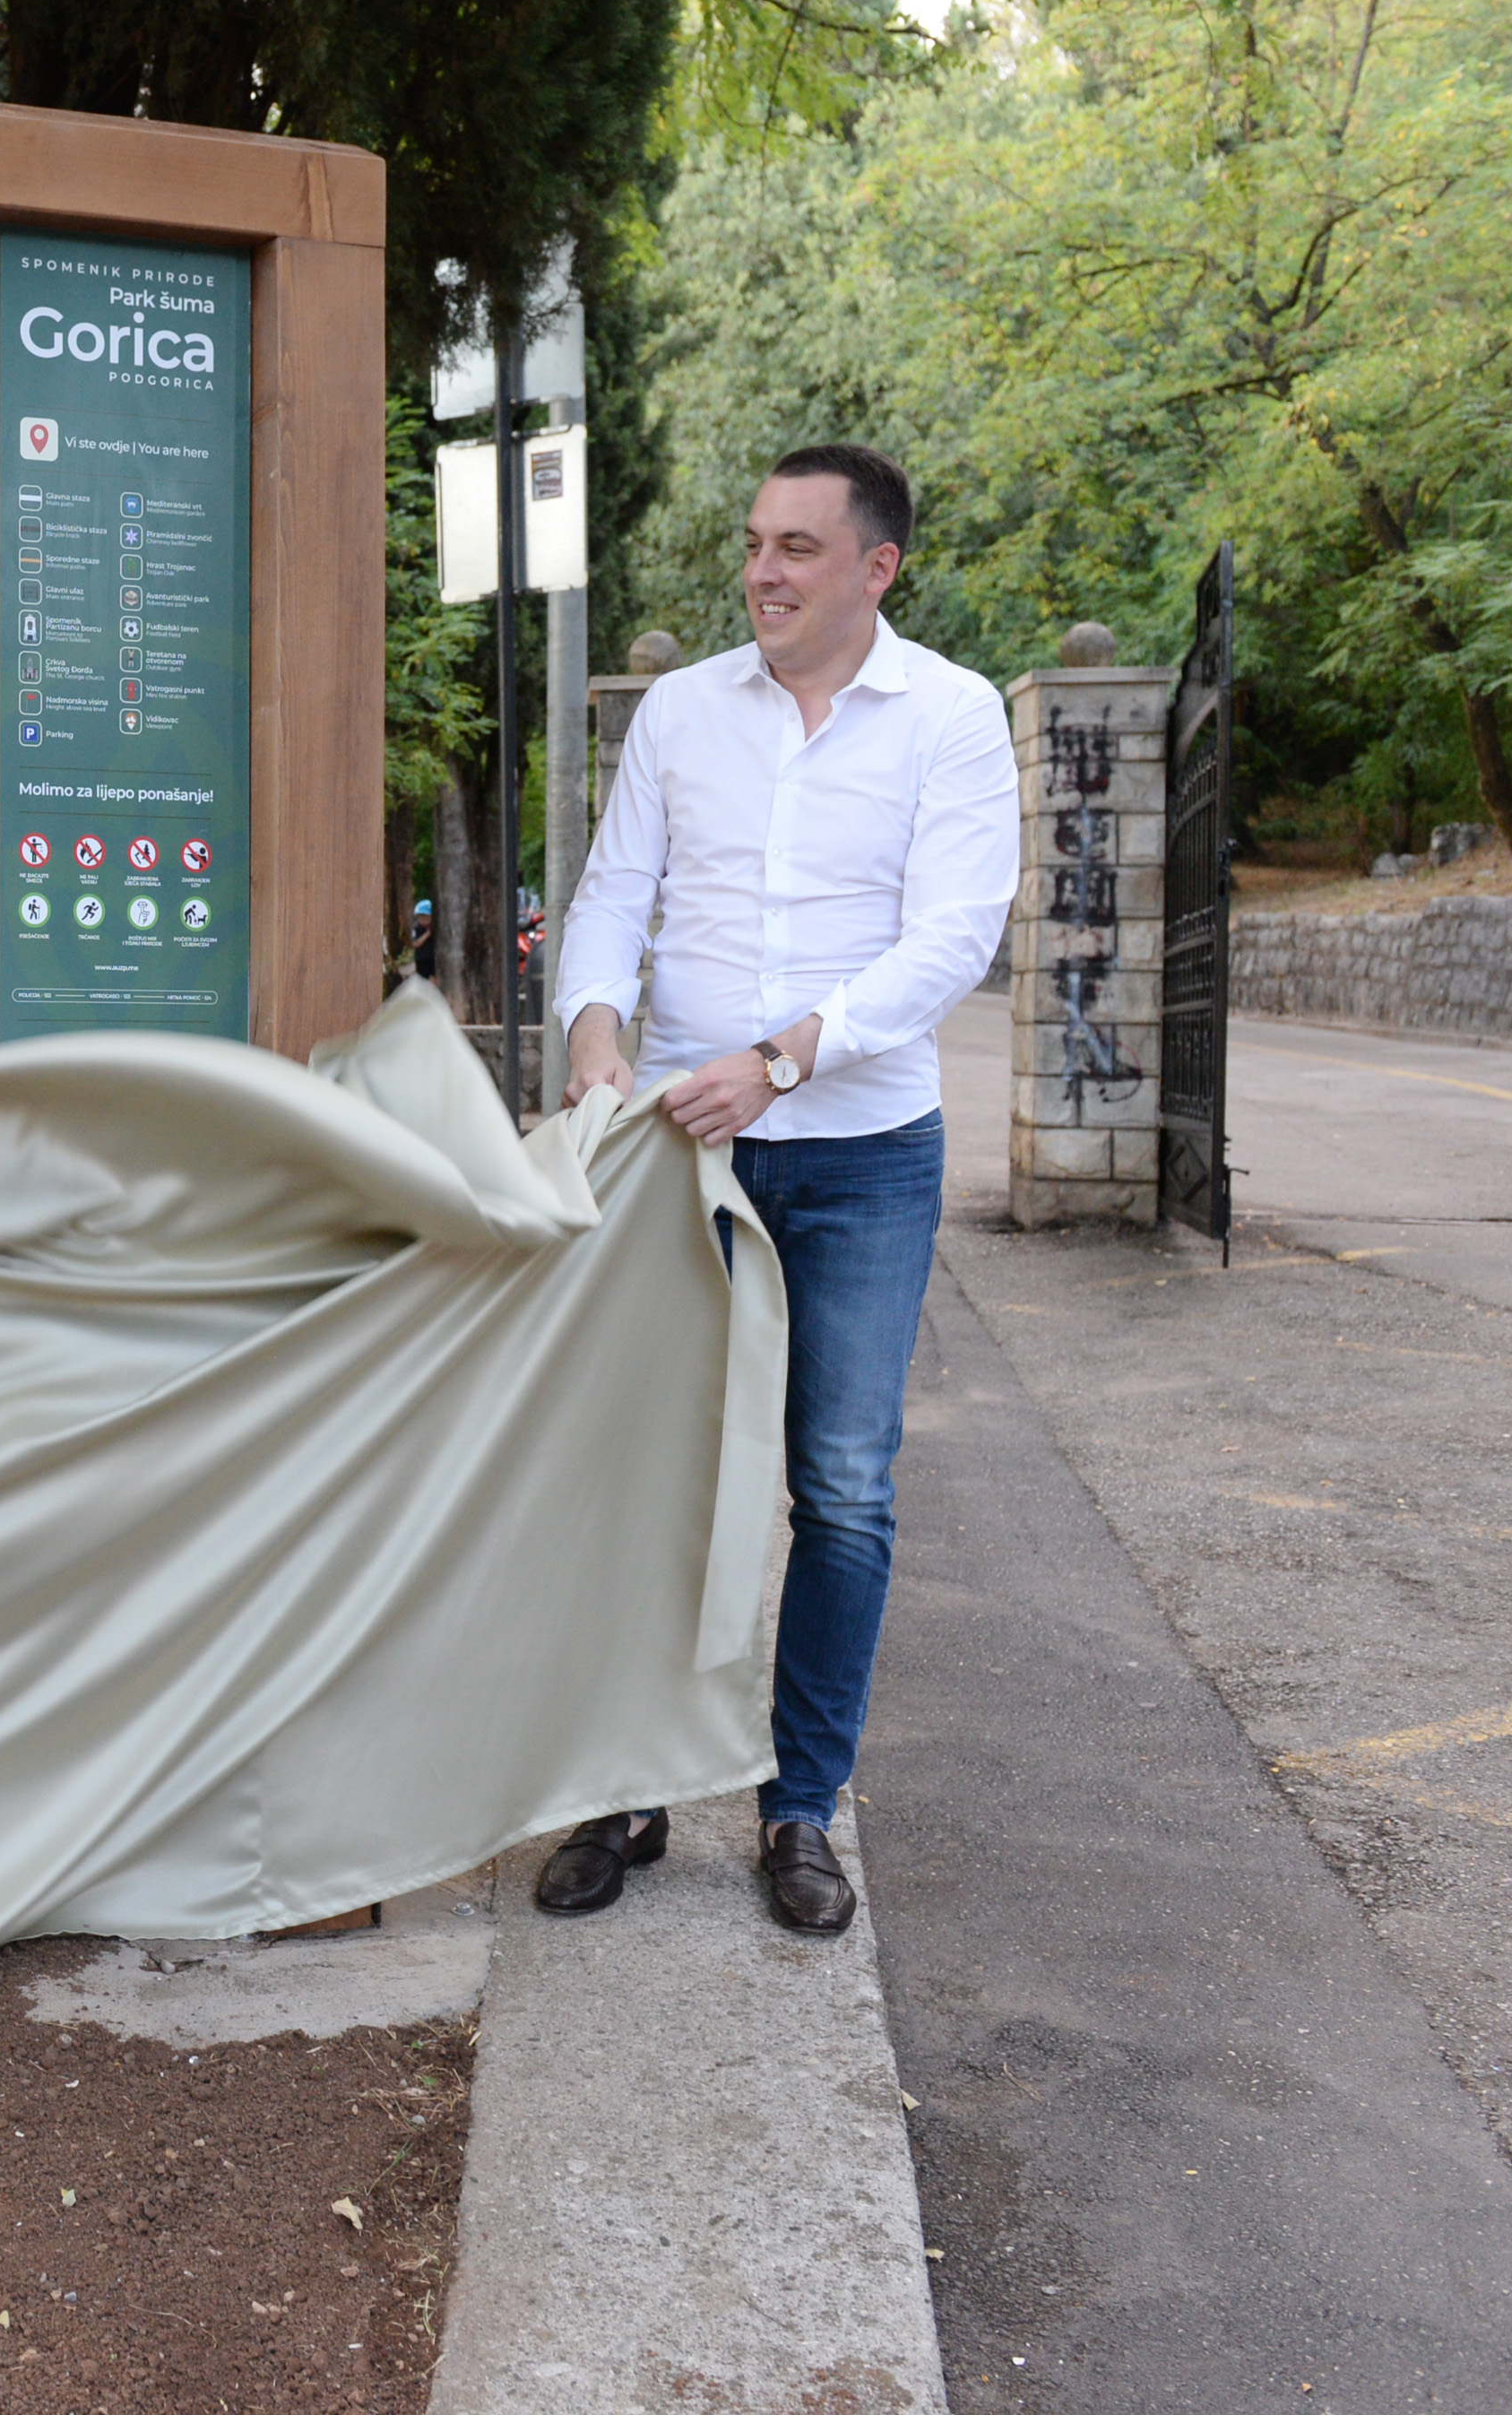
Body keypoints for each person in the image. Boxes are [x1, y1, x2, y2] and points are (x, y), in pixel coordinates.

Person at [540, 443, 1015, 1936]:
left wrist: (785, 1058)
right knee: (653, 1477)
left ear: (875, 567)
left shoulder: (950, 716)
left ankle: (798, 1808)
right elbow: (615, 889)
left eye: (799, 547)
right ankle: (623, 1789)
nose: (763, 569)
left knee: (843, 1488)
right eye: (755, 542)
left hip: (864, 1150)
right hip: (682, 1147)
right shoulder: (684, 712)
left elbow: (952, 937)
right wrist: (596, 1026)